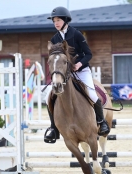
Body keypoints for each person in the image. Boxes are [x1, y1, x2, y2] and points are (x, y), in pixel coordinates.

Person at [44, 6, 110, 143]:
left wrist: (79, 64)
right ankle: (53, 128)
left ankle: (101, 122)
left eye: (58, 20)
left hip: (82, 71)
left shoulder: (76, 34)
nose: (56, 23)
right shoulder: (55, 38)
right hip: (65, 74)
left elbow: (88, 54)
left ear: (65, 20)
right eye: (54, 21)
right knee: (47, 97)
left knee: (92, 94)